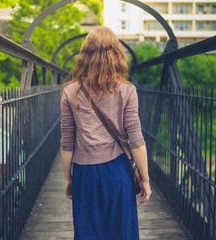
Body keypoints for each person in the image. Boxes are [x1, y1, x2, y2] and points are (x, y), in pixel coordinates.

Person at [60, 26, 151, 240]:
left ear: (85, 54)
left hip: (84, 173)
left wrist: (67, 178)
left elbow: (67, 142)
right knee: (122, 232)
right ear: (116, 54)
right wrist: (145, 179)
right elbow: (136, 140)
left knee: (88, 232)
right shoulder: (127, 90)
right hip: (119, 170)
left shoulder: (70, 91)